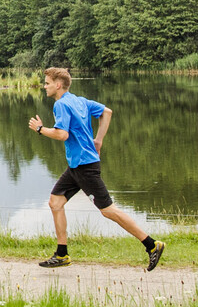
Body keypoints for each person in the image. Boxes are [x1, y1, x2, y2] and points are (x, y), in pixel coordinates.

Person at [26, 66, 165, 270]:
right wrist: (98, 141)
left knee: (108, 210)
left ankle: (152, 245)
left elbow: (61, 134)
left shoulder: (61, 105)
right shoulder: (80, 100)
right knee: (55, 202)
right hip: (77, 165)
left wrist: (40, 129)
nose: (44, 86)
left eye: (47, 83)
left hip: (84, 167)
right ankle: (62, 254)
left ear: (58, 84)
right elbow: (107, 112)